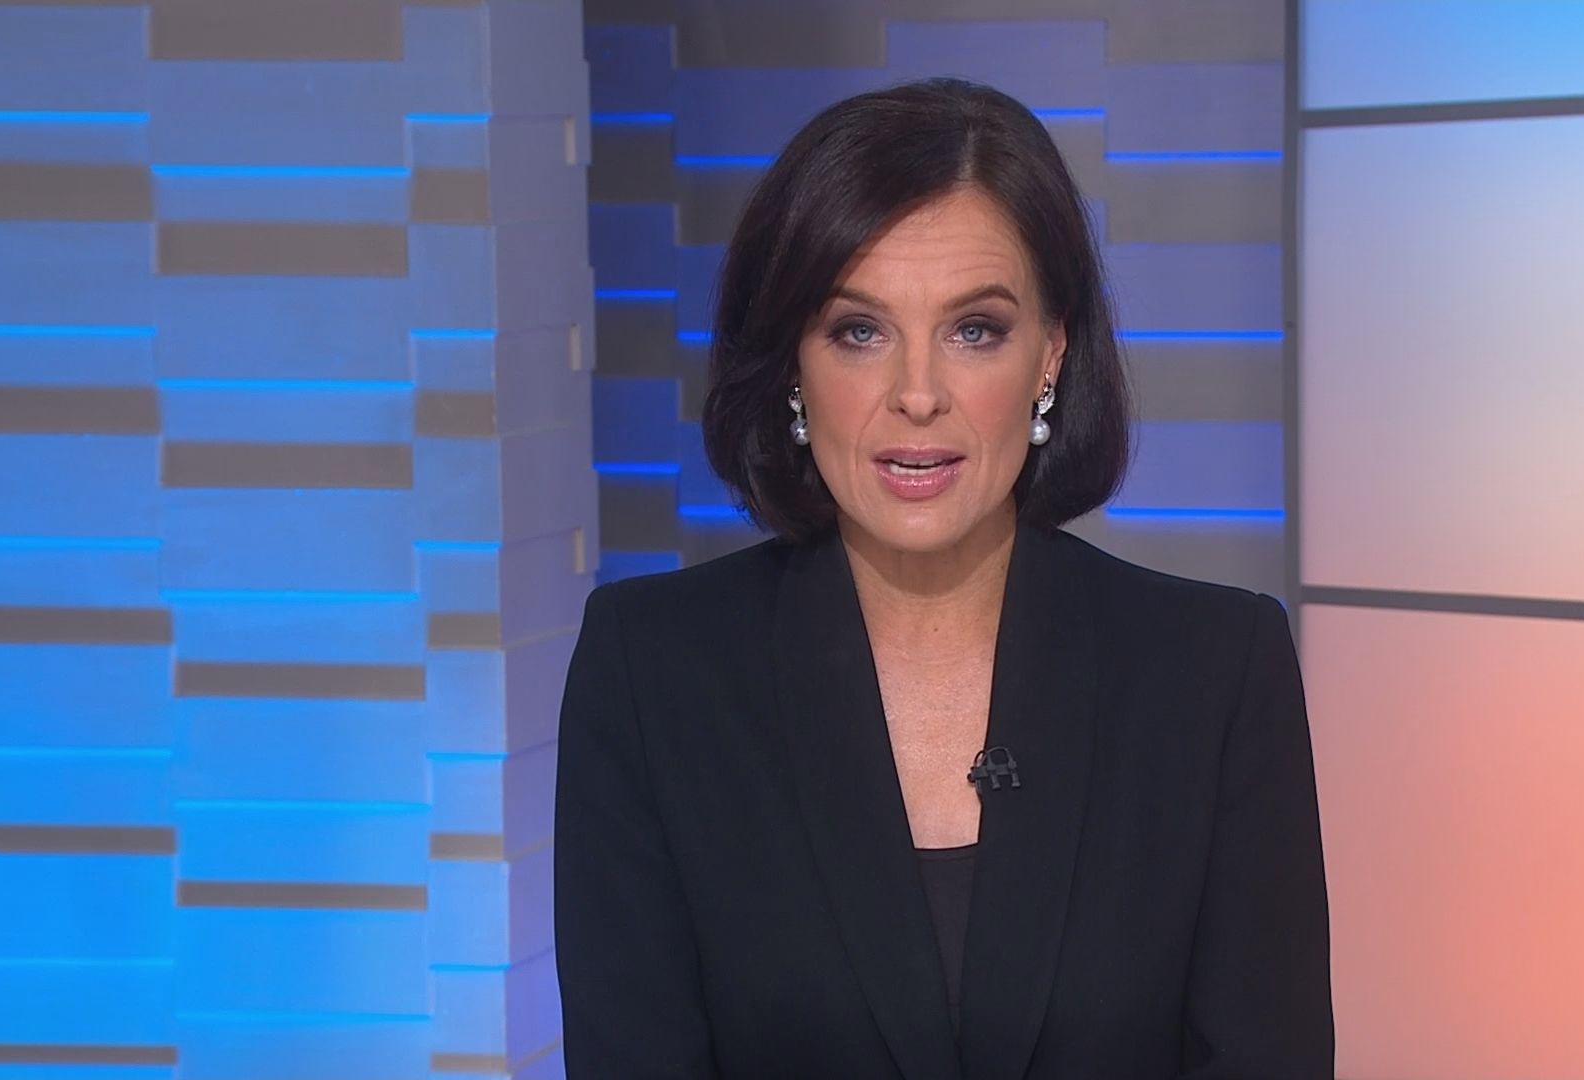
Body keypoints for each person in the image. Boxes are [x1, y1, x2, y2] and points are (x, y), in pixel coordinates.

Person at [553, 77, 1333, 1079]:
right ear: (792, 364)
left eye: (975, 331)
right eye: (859, 331)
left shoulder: (1215, 675)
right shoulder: (651, 673)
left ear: (1051, 353)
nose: (916, 395)